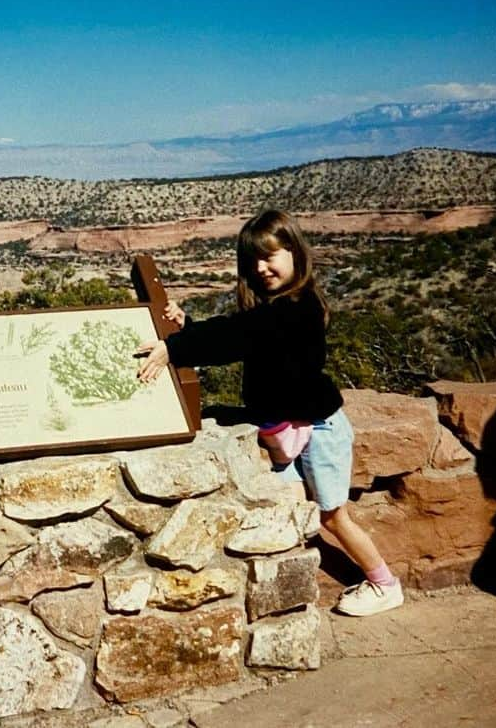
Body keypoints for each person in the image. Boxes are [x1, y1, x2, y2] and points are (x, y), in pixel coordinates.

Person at [136, 209, 403, 617]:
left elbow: (240, 336)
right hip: (287, 429)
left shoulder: (298, 308)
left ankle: (384, 584)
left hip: (318, 428)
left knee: (333, 517)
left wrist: (178, 347)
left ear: (296, 252)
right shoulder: (275, 310)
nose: (261, 268)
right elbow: (243, 332)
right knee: (290, 507)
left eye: (271, 256)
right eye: (253, 261)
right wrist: (188, 326)